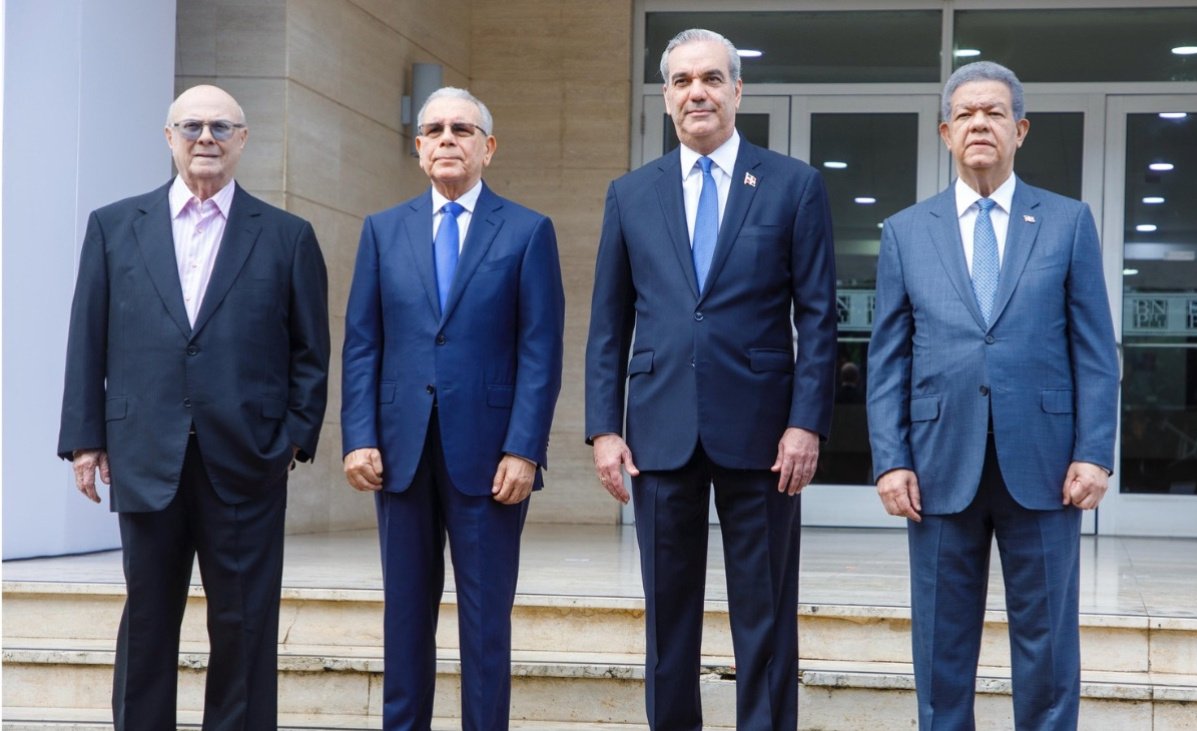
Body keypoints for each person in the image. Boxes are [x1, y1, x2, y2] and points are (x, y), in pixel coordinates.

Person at [585, 28, 837, 731]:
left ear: (737, 91)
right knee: (668, 617)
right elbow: (608, 322)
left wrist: (806, 422)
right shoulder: (631, 194)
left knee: (765, 613)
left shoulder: (793, 185)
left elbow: (818, 318)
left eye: (712, 79)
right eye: (682, 81)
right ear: (666, 97)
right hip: (658, 431)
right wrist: (604, 428)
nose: (697, 92)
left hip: (764, 436)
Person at [57, 84, 330, 730]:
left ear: (243, 139)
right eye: (191, 126)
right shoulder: (113, 227)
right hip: (145, 455)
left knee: (245, 625)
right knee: (148, 621)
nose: (205, 137)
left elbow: (311, 351)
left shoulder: (288, 236)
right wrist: (86, 439)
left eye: (221, 126)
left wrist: (290, 439)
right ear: (169, 137)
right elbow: (87, 337)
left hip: (247, 462)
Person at [867, 61, 1120, 730]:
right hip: (937, 466)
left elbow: (1096, 350)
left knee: (1048, 644)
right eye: (966, 114)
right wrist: (891, 459)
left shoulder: (1066, 222)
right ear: (946, 132)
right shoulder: (905, 231)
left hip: (1046, 465)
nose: (980, 124)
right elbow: (887, 358)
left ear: (1021, 130)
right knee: (941, 645)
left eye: (995, 113)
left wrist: (1095, 451)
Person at [341, 87, 564, 731]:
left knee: (486, 621)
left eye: (462, 130)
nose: (447, 139)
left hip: (492, 459)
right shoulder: (382, 230)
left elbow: (540, 351)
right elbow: (362, 343)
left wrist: (524, 448)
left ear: (487, 148)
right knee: (404, 616)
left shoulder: (527, 231)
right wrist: (358, 435)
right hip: (398, 452)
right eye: (434, 129)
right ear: (418, 148)